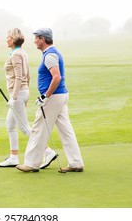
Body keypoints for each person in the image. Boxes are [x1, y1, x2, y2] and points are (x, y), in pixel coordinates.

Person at [16, 28, 84, 173]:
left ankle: (31, 164)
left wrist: (45, 96)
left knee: (38, 129)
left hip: (53, 97)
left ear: (42, 39)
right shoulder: (51, 53)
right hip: (60, 96)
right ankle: (76, 162)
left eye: (36, 38)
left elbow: (57, 77)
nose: (34, 40)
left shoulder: (50, 55)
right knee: (66, 130)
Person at [0, 28, 58, 168]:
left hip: (17, 94)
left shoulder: (16, 55)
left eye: (8, 37)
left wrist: (14, 97)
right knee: (10, 125)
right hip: (21, 93)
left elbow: (20, 76)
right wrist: (24, 95)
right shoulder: (22, 53)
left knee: (24, 127)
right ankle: (13, 157)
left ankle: (48, 151)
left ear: (12, 39)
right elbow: (28, 75)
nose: (6, 39)